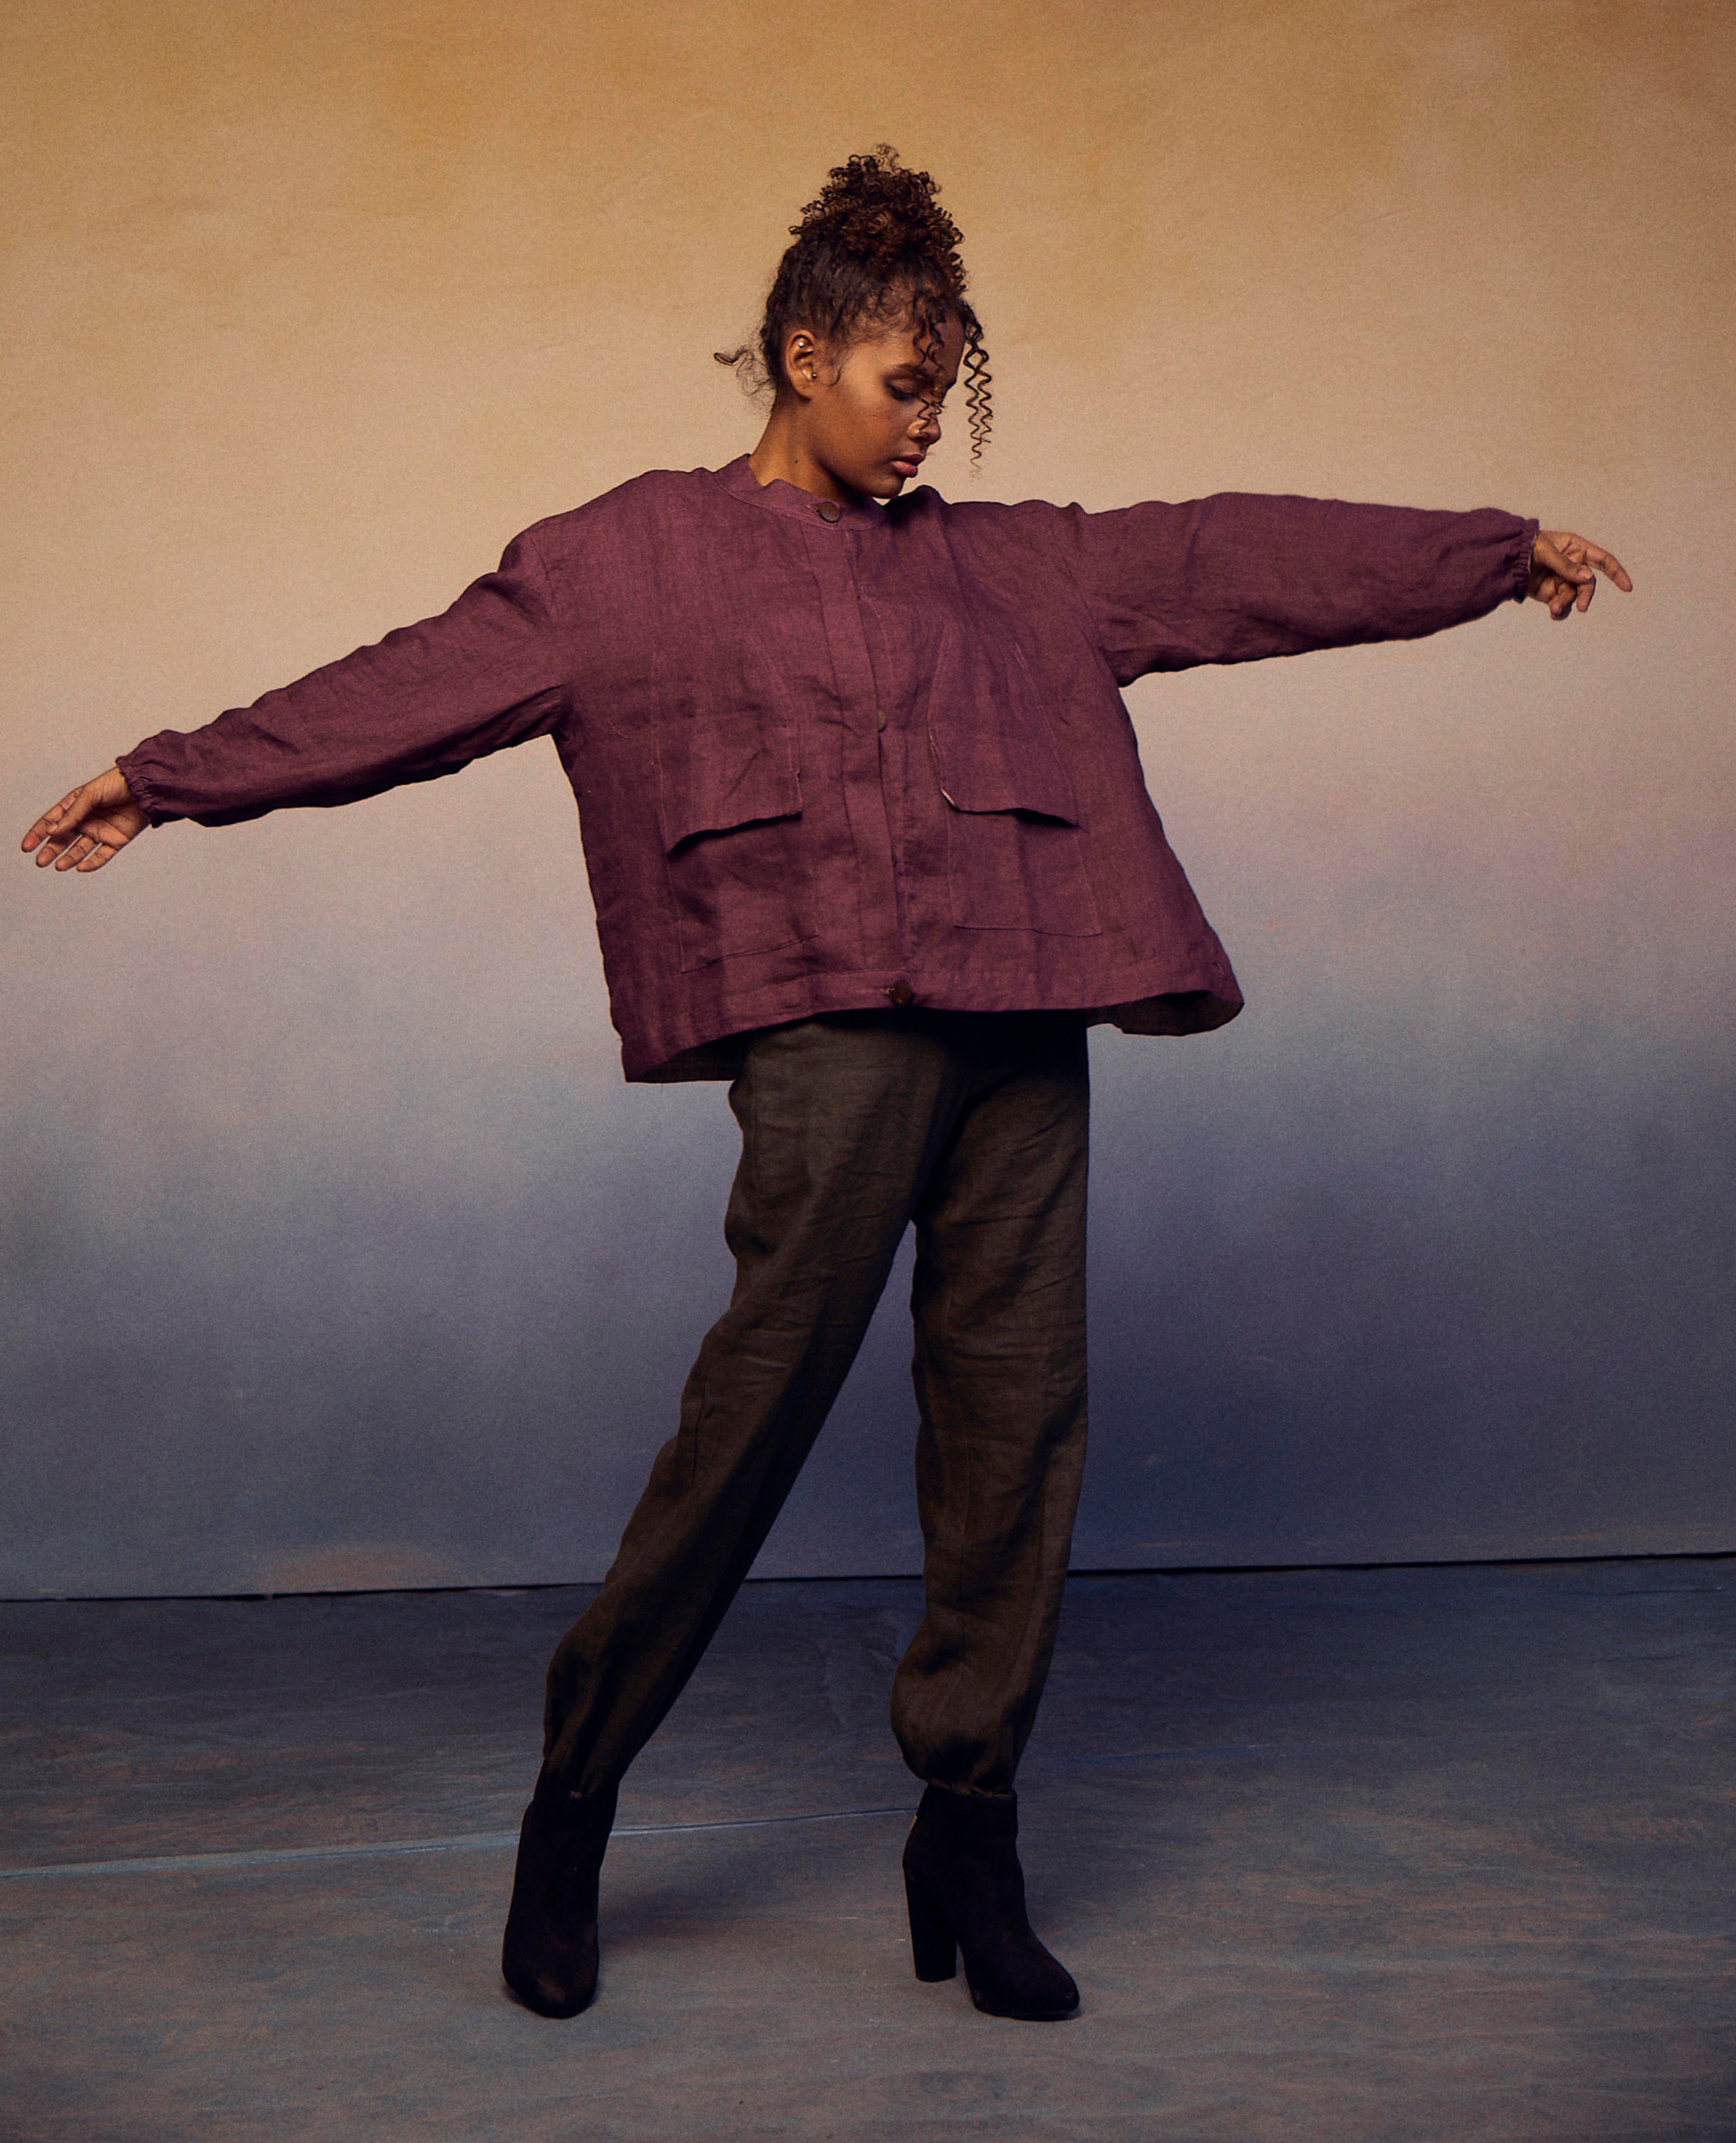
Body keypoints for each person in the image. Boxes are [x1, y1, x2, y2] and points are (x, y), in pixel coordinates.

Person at [21, 148, 1631, 2024]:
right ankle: (573, 1800)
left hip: (1027, 1005)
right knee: (752, 1419)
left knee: (1018, 1424)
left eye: (946, 388)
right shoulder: (625, 560)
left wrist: (1486, 553)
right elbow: (416, 688)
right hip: (827, 1028)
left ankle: (970, 1831)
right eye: (901, 384)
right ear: (804, 358)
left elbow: (1227, 557)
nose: (926, 422)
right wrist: (171, 776)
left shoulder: (1015, 562)